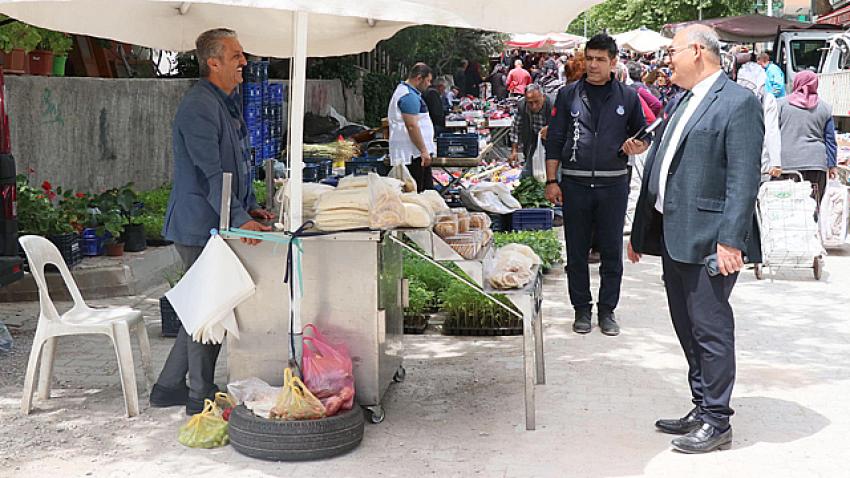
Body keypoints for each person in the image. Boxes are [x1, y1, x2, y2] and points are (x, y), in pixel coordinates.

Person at [629, 25, 763, 454]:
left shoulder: (739, 103)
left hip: (710, 240)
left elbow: (744, 179)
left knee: (710, 328)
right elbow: (661, 169)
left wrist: (731, 241)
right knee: (686, 325)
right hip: (674, 234)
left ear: (699, 52)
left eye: (672, 52)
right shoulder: (682, 99)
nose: (667, 60)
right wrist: (640, 230)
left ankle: (718, 420)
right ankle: (702, 404)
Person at [150, 28, 274, 415]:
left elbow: (235, 167)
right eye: (236, 55)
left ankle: (167, 386)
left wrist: (249, 208)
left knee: (200, 310)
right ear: (213, 62)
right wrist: (238, 217)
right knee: (211, 310)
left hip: (215, 218)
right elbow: (210, 173)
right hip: (198, 223)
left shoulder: (224, 102)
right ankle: (197, 395)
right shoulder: (198, 105)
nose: (244, 61)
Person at [544, 33, 648, 337]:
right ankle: (581, 310)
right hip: (574, 185)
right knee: (575, 251)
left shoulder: (628, 97)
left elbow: (644, 135)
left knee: (612, 252)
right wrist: (552, 180)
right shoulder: (569, 95)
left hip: (613, 186)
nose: (592, 65)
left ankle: (607, 311)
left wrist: (636, 145)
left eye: (600, 59)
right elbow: (555, 140)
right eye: (589, 58)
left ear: (613, 62)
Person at [776, 70, 838, 211]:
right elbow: (830, 140)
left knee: (787, 207)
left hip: (787, 163)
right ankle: (813, 232)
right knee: (813, 208)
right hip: (816, 164)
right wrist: (832, 164)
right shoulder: (825, 108)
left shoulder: (781, 105)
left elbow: (772, 134)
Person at [388, 63, 437, 192]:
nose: (429, 84)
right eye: (428, 80)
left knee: (424, 191)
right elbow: (412, 126)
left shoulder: (408, 93)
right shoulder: (408, 96)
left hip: (414, 153)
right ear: (419, 78)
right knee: (417, 192)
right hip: (412, 155)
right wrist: (423, 151)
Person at [736, 60, 782, 181]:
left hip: (736, 161)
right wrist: (775, 162)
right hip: (760, 161)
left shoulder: (732, 97)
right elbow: (771, 130)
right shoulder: (767, 98)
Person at [509, 84, 552, 177]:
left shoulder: (554, 104)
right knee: (528, 172)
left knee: (552, 173)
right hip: (533, 140)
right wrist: (514, 150)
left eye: (537, 101)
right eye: (530, 103)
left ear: (543, 97)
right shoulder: (522, 105)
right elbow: (515, 128)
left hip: (553, 143)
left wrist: (552, 128)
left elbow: (566, 125)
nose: (534, 106)